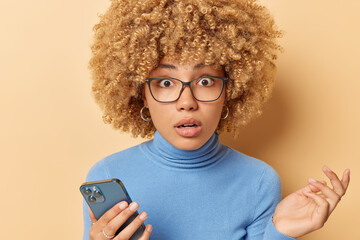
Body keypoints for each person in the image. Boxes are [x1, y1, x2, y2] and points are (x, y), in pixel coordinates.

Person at [83, 0, 350, 239]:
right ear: (141, 93)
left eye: (206, 81)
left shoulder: (259, 182)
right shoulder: (107, 176)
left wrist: (279, 233)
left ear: (230, 91)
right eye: (166, 82)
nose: (187, 102)